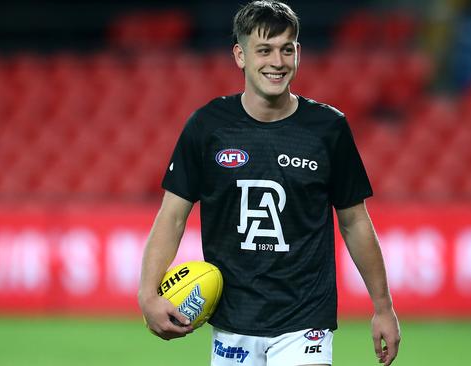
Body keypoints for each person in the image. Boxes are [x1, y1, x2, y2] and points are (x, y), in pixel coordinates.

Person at [138, 1, 401, 365]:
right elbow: (172, 216)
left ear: (298, 53)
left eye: (286, 48)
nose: (277, 61)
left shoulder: (328, 129)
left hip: (305, 321)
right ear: (240, 55)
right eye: (264, 50)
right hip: (233, 322)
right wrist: (148, 294)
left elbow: (355, 221)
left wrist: (383, 307)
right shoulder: (207, 127)